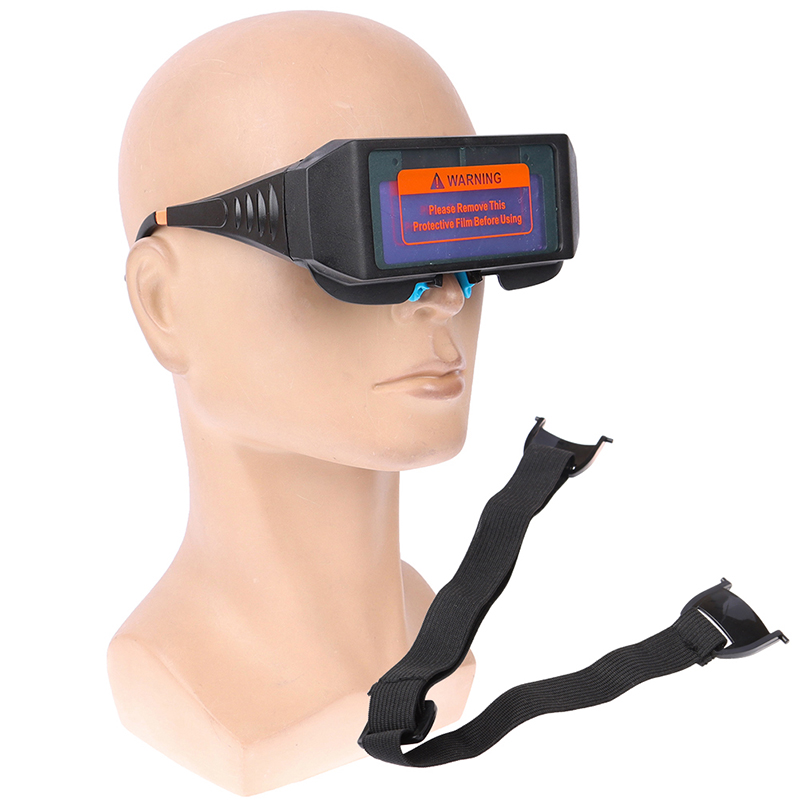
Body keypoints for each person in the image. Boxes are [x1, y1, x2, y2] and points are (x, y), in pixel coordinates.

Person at [110, 11, 481, 794]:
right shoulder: (178, 681)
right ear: (164, 303)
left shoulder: (445, 636)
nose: (446, 296)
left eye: (460, 222)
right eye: (355, 240)